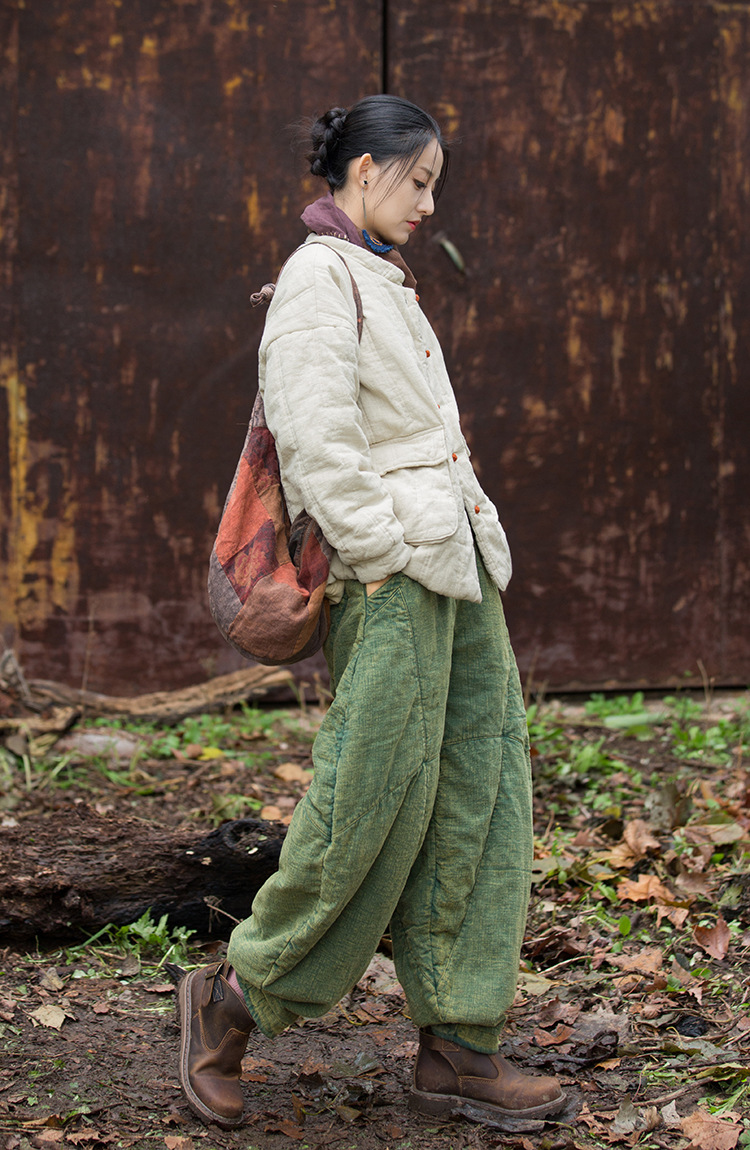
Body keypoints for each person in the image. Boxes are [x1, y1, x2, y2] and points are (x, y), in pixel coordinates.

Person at [177, 94, 565, 1131]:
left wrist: (448, 546)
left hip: (457, 569)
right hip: (392, 574)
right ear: (363, 170)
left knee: (482, 789)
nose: (429, 205)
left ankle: (459, 1044)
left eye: (436, 184)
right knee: (370, 799)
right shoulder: (320, 277)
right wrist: (382, 555)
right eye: (418, 180)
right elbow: (318, 440)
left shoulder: (381, 276)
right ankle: (233, 1002)